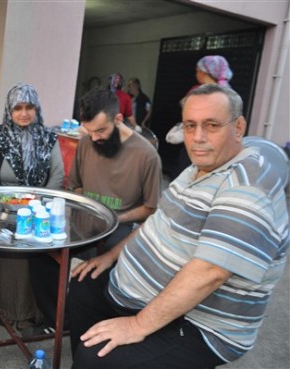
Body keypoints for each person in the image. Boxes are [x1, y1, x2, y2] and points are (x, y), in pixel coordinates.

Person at [68, 84, 289, 369]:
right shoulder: (196, 168)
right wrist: (111, 257)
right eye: (190, 125)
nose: (198, 138)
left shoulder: (248, 185)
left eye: (211, 125)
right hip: (144, 294)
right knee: (84, 284)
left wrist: (137, 325)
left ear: (238, 127)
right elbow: (156, 223)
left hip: (201, 324)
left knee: (96, 355)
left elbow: (211, 272)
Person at [29, 86, 162, 332]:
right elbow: (76, 186)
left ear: (119, 119)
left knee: (97, 273)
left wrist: (113, 217)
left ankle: (96, 324)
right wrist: (83, 209)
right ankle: (59, 321)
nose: (95, 138)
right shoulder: (87, 143)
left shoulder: (146, 155)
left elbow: (150, 209)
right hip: (83, 219)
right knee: (38, 252)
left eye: (101, 130)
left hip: (120, 227)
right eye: (89, 131)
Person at [0, 82, 64, 331]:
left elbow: (57, 176)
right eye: (18, 108)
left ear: (37, 108)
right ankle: (6, 311)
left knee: (33, 265)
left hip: (38, 215)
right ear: (9, 110)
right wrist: (2, 199)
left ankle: (33, 314)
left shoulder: (48, 138)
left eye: (29, 107)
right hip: (3, 213)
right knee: (8, 266)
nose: (24, 113)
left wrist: (39, 202)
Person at [170, 55, 233, 179]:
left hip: (198, 140)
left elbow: (187, 110)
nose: (196, 74)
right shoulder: (227, 92)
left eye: (197, 70)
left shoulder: (202, 92)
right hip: (214, 143)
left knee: (186, 172)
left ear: (204, 72)